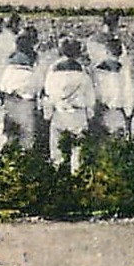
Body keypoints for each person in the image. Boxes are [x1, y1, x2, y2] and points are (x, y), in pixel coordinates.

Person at [42, 39, 96, 171]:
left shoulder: (53, 71)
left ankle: (56, 172)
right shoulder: (83, 73)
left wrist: (48, 113)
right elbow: (90, 98)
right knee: (77, 150)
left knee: (56, 148)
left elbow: (48, 93)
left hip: (59, 113)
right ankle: (76, 175)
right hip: (78, 115)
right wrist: (89, 114)